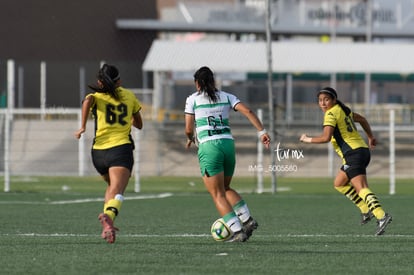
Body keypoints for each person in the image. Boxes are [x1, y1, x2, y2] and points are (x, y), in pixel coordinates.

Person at [184, 66, 271, 242]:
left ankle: (237, 232)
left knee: (217, 194)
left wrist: (191, 137)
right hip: (228, 145)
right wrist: (262, 132)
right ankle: (247, 220)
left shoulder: (192, 99)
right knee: (225, 188)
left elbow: (187, 128)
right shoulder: (227, 96)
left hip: (209, 147)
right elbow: (248, 111)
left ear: (197, 83)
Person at [300, 87, 392, 235]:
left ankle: (381, 215)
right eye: (320, 100)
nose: (323, 103)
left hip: (353, 154)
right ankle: (365, 209)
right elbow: (362, 119)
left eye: (326, 99)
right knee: (339, 183)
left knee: (361, 187)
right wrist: (370, 137)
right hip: (361, 151)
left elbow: (325, 138)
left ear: (334, 100)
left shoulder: (331, 114)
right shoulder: (343, 110)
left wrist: (307, 139)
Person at [74, 64, 143, 243]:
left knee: (111, 188)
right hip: (120, 150)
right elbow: (139, 124)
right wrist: (127, 116)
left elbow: (87, 100)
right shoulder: (129, 96)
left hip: (98, 153)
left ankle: (108, 220)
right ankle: (108, 219)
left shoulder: (96, 97)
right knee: (118, 190)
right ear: (119, 80)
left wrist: (82, 126)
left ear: (99, 82)